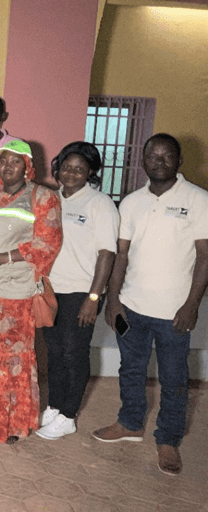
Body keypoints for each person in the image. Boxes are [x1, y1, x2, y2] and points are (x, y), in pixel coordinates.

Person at [93, 134, 208, 476]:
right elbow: (122, 255)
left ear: (179, 160)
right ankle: (129, 423)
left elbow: (204, 257)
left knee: (174, 379)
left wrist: (192, 304)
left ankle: (168, 440)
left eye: (166, 155)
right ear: (142, 160)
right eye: (152, 155)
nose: (159, 161)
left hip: (174, 312)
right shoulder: (130, 202)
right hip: (133, 306)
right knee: (130, 370)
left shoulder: (199, 199)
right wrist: (113, 300)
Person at [0, 139, 62, 444]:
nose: (8, 167)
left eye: (15, 161)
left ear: (28, 166)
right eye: (3, 161)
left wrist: (2, 257)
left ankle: (11, 422)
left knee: (13, 358)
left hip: (17, 293)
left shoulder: (42, 197)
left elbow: (48, 243)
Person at [36, 142, 118, 440]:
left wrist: (93, 299)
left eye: (80, 169)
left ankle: (69, 415)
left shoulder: (99, 204)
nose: (71, 173)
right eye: (67, 167)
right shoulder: (49, 199)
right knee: (55, 353)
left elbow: (107, 254)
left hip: (81, 293)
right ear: (58, 167)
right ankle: (55, 407)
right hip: (50, 291)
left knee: (74, 353)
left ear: (90, 173)